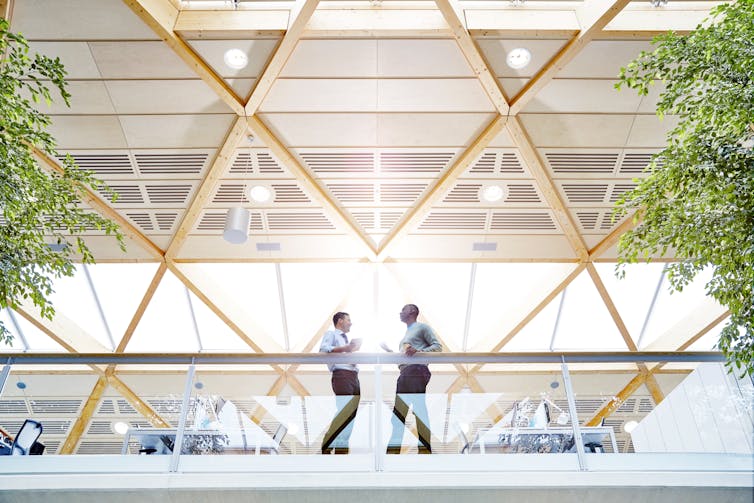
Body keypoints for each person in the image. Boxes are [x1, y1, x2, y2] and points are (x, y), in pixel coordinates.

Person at [382, 304, 442, 454]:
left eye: (403, 310)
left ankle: (424, 450)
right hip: (405, 373)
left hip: (416, 371)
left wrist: (419, 351)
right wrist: (389, 352)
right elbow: (404, 358)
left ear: (412, 312)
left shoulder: (422, 328)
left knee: (419, 410)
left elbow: (438, 347)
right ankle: (392, 452)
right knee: (398, 415)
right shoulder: (405, 336)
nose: (400, 312)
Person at [319, 312, 362, 454]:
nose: (351, 323)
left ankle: (341, 449)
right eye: (348, 320)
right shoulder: (332, 334)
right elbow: (324, 349)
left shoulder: (346, 340)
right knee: (345, 410)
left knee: (351, 414)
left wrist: (352, 353)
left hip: (353, 376)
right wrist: (346, 349)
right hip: (342, 375)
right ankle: (327, 445)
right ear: (340, 321)